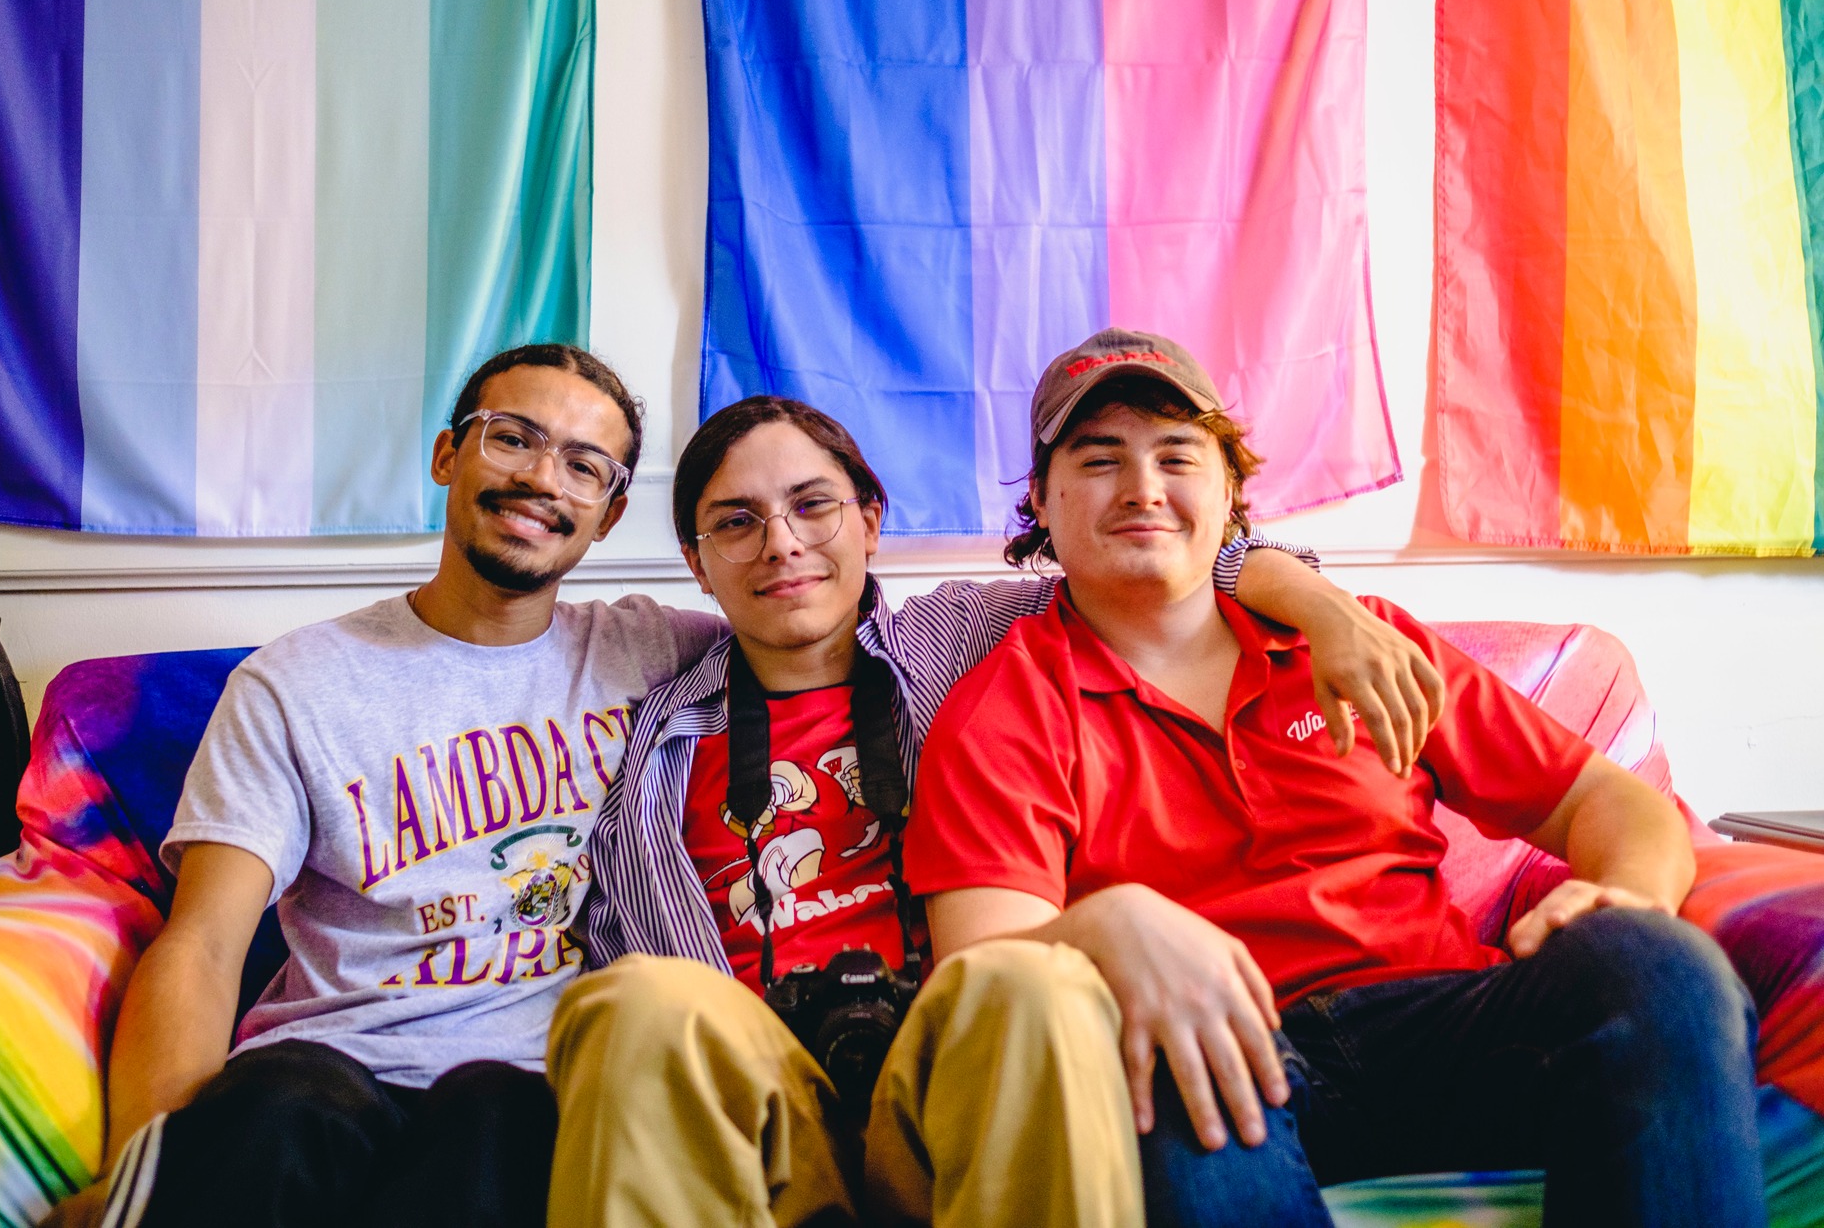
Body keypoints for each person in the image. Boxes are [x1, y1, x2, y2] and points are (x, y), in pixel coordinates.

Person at [903, 329, 1766, 1228]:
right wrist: (1104, 925)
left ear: (1232, 490)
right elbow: (985, 970)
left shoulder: (1360, 643)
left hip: (1456, 1022)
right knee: (1151, 1073)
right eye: (1100, 458)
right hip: (1228, 1058)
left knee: (1657, 962)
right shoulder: (1004, 708)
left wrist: (1623, 892)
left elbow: (1607, 799)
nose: (1143, 488)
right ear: (1041, 498)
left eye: (1176, 454)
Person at [547, 391, 1449, 1228]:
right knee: (634, 1000)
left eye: (812, 505)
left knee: (1035, 981)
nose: (780, 543)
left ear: (869, 521)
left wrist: (1321, 605)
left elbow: (1162, 560)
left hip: (956, 1067)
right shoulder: (653, 729)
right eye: (735, 523)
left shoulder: (967, 638)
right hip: (763, 1095)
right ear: (698, 565)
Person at [43, 345, 729, 1228]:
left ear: (608, 512)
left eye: (582, 464)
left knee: (496, 1115)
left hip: (526, 1082)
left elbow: (810, 633)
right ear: (448, 455)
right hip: (324, 1064)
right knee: (285, 1102)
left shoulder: (656, 651)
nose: (541, 479)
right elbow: (205, 944)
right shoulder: (298, 680)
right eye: (512, 437)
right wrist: (144, 1158)